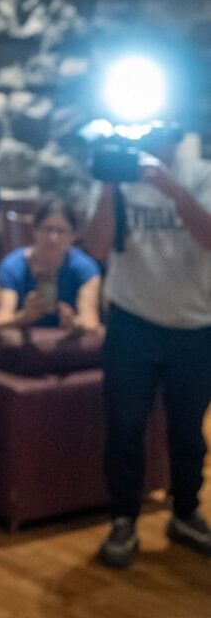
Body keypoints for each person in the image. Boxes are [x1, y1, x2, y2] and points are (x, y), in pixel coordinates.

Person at [83, 127, 211, 568]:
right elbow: (97, 245)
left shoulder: (203, 175)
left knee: (188, 428)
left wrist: (172, 189)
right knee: (124, 427)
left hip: (195, 324)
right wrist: (109, 186)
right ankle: (123, 519)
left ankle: (185, 511)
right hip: (131, 321)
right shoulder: (114, 175)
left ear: (177, 140)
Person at [0, 196, 101, 332]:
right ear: (35, 230)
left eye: (61, 231)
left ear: (73, 235)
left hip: (67, 346)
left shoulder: (85, 268)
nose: (53, 238)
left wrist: (73, 322)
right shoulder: (12, 266)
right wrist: (25, 316)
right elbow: (1, 320)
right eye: (47, 229)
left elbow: (91, 322)